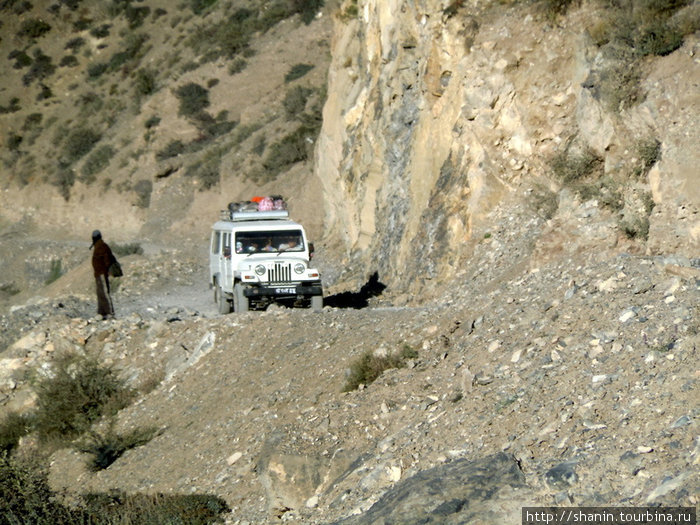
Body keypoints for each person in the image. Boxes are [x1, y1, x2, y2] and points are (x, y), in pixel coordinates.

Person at [90, 230, 115, 318]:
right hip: (98, 274)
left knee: (104, 292)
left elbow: (107, 260)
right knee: (100, 292)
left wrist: (104, 270)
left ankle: (109, 312)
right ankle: (102, 312)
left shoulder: (102, 246)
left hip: (101, 273)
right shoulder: (98, 246)